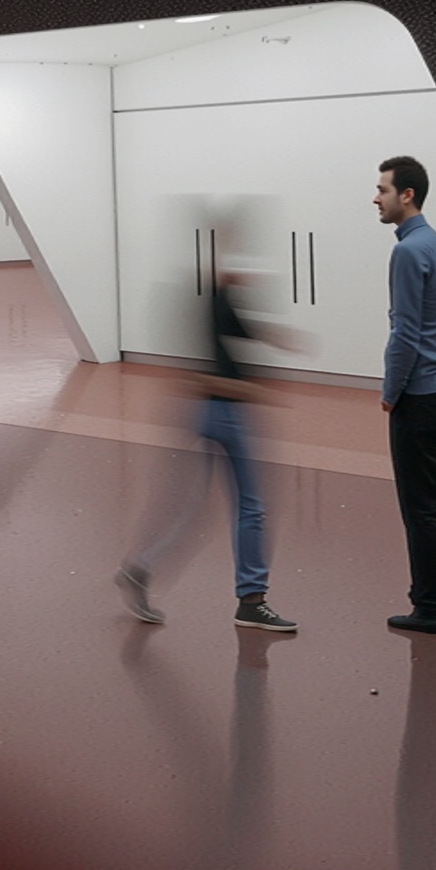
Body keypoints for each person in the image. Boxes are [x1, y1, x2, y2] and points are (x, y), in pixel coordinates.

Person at [115, 246, 305, 633]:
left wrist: (274, 337)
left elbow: (238, 332)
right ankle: (252, 600)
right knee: (251, 506)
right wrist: (252, 392)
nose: (248, 274)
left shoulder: (214, 301)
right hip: (224, 413)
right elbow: (201, 374)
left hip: (205, 413)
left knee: (193, 508)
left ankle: (141, 568)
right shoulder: (210, 302)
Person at [375, 157, 436, 635]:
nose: (376, 198)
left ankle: (426, 606)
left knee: (421, 507)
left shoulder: (409, 251)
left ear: (406, 194)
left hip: (418, 397)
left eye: (382, 189)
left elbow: (404, 331)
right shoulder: (435, 243)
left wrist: (391, 391)